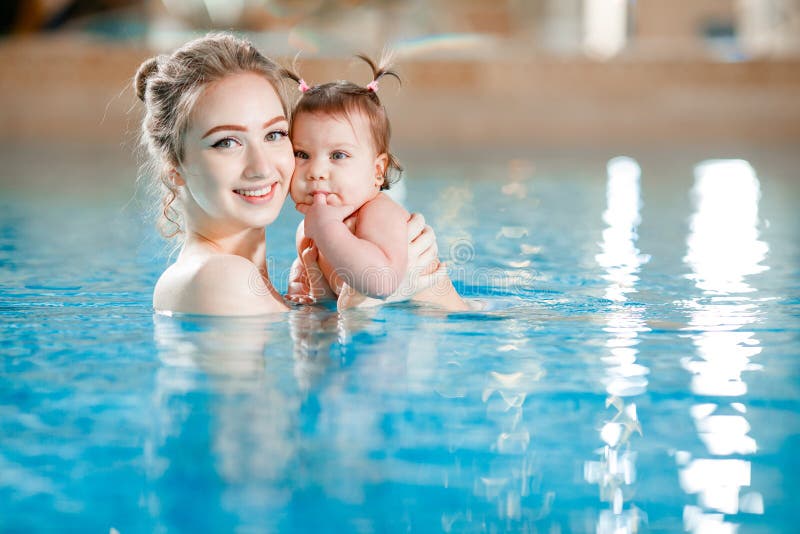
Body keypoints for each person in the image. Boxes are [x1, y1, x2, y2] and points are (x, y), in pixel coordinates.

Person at [134, 33, 445, 316]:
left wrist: (320, 306)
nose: (262, 167)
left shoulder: (252, 278)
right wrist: (366, 307)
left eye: (274, 134)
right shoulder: (218, 279)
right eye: (226, 142)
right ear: (175, 169)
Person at [283, 55, 469, 311]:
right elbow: (327, 299)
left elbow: (381, 283)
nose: (316, 172)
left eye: (338, 155)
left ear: (377, 171)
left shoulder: (378, 214)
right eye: (302, 154)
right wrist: (300, 285)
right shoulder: (309, 230)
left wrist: (327, 229)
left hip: (449, 322)